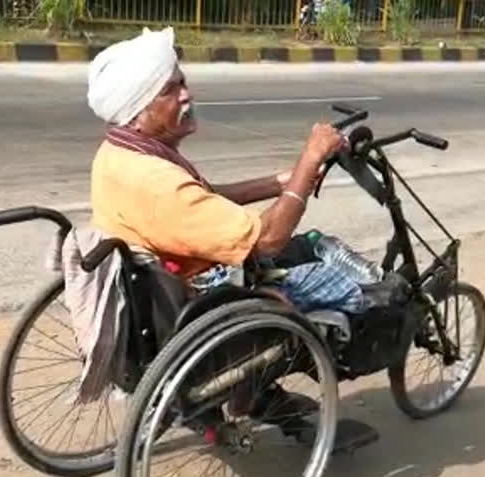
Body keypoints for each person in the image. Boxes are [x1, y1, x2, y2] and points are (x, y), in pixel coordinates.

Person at [86, 26, 374, 316]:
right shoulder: (158, 182)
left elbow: (203, 198)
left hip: (168, 281)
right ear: (136, 115)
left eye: (182, 83)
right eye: (169, 91)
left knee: (319, 245)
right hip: (209, 297)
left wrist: (285, 181)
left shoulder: (118, 154)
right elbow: (268, 240)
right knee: (348, 286)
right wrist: (312, 157)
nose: (187, 96)